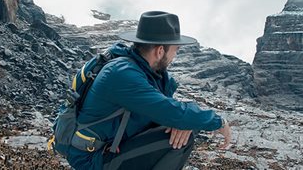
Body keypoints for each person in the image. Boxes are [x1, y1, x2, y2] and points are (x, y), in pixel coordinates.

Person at [66, 11, 232, 170]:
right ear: (160, 51)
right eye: (175, 50)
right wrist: (218, 122)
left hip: (111, 147)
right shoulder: (122, 74)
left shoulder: (149, 72)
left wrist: (185, 122)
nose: (175, 56)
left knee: (184, 128)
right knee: (181, 137)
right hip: (91, 159)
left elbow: (170, 111)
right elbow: (171, 112)